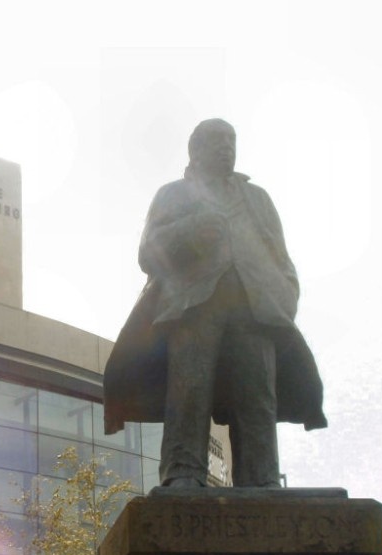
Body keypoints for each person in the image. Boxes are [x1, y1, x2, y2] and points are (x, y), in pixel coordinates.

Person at [104, 119, 326, 487]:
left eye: (231, 140)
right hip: (193, 308)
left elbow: (281, 257)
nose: (226, 147)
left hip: (256, 309)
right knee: (189, 391)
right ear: (195, 150)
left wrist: (285, 296)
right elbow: (148, 253)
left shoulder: (258, 199)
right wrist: (192, 231)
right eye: (216, 140)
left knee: (258, 396)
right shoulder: (173, 194)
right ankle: (183, 472)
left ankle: (261, 478)